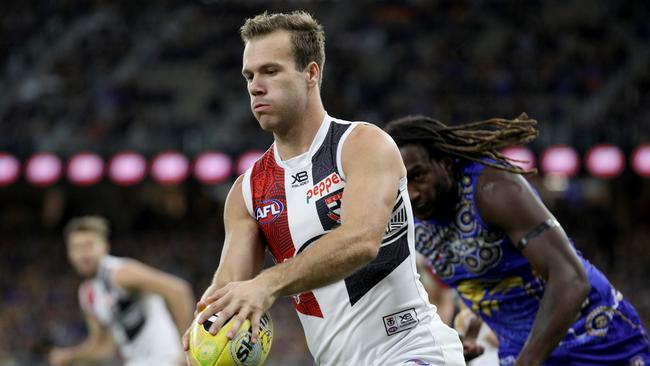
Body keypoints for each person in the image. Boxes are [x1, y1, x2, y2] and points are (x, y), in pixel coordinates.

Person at [183, 11, 464, 366]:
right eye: (249, 75)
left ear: (311, 73)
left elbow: (361, 240)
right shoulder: (247, 191)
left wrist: (266, 284)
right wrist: (208, 329)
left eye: (270, 71)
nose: (255, 85)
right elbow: (229, 288)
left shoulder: (362, 144)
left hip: (413, 351)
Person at [384, 114, 650, 365]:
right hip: (522, 351)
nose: (413, 193)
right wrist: (468, 334)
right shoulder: (404, 212)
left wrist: (527, 362)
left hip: (595, 343)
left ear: (443, 162)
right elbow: (477, 280)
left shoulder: (491, 187)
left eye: (418, 176)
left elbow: (571, 278)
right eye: (402, 184)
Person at [49, 216, 194, 366]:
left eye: (89, 245)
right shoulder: (87, 294)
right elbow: (104, 348)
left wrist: (186, 350)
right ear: (69, 253)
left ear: (105, 246)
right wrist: (70, 356)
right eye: (77, 248)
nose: (84, 254)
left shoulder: (120, 273)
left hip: (166, 358)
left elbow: (179, 291)